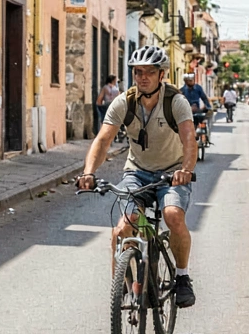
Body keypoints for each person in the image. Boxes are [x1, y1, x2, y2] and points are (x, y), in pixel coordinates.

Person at [78, 46, 199, 308]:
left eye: (150, 72)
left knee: (172, 215)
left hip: (171, 173)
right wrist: (88, 172)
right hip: (137, 172)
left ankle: (182, 277)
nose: (143, 77)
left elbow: (190, 140)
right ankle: (120, 285)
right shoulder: (124, 102)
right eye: (138, 72)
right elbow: (103, 140)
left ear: (161, 75)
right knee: (123, 226)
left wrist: (186, 170)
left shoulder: (175, 102)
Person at [181, 74, 213, 145]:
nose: (191, 82)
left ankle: (205, 136)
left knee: (204, 118)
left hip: (197, 110)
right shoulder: (182, 90)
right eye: (189, 81)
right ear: (185, 81)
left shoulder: (198, 88)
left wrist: (207, 106)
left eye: (192, 80)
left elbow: (204, 97)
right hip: (187, 110)